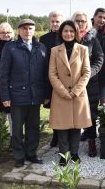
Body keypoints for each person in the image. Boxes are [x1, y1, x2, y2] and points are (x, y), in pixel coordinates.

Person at [0, 19, 49, 167]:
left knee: (33, 127)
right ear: (19, 30)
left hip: (35, 96)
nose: (28, 31)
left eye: (31, 28)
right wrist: (5, 95)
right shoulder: (11, 47)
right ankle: (19, 156)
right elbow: (4, 73)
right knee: (17, 128)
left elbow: (45, 74)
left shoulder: (41, 47)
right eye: (25, 28)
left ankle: (31, 153)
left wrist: (46, 94)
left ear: (34, 30)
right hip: (17, 96)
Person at [49, 20, 91, 165]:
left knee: (76, 127)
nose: (68, 34)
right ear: (61, 33)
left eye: (71, 31)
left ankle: (74, 153)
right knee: (62, 127)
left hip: (78, 95)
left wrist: (75, 91)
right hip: (60, 96)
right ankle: (63, 155)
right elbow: (52, 74)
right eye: (66, 31)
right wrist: (63, 91)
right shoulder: (55, 50)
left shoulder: (83, 49)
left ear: (76, 33)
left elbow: (86, 73)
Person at [72, 11, 104, 157]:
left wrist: (89, 73)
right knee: (72, 113)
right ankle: (71, 145)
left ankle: (91, 141)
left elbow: (99, 58)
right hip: (71, 83)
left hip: (89, 84)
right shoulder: (67, 36)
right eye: (77, 20)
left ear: (87, 23)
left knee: (90, 113)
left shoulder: (92, 39)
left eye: (83, 21)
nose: (80, 23)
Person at [40, 11, 64, 148]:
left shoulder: (67, 36)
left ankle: (62, 136)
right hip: (49, 78)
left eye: (57, 21)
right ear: (50, 22)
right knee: (53, 109)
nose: (55, 24)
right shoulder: (43, 38)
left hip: (63, 79)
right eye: (53, 21)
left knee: (62, 108)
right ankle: (55, 136)